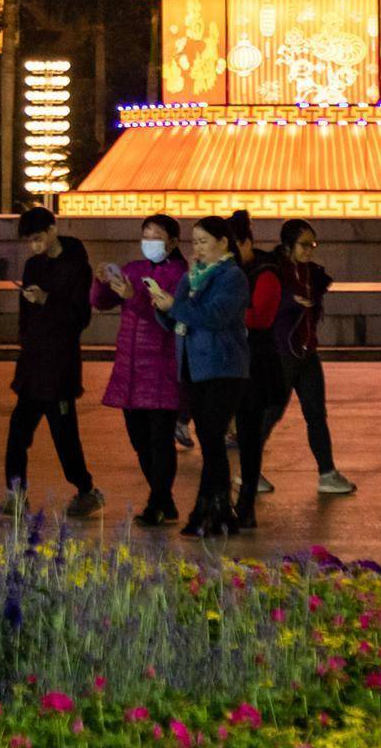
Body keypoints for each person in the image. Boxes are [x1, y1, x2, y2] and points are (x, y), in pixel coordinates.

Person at [3, 207, 105, 517]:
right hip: (33, 365)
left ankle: (86, 489)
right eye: (29, 241)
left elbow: (79, 317)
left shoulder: (77, 267)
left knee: (64, 436)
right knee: (18, 431)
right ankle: (16, 493)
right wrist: (26, 339)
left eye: (37, 238)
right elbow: (26, 313)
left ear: (51, 230)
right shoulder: (33, 265)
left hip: (59, 367)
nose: (33, 246)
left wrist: (47, 300)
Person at [92, 214, 186, 527]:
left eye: (157, 236)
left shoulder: (179, 274)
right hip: (129, 371)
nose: (150, 242)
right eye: (145, 235)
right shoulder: (133, 269)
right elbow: (100, 302)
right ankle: (165, 501)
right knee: (139, 441)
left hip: (161, 369)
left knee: (160, 442)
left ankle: (157, 503)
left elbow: (164, 315)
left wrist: (134, 299)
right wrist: (102, 281)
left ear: (172, 242)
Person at [170, 216, 249, 537]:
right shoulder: (191, 278)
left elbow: (214, 317)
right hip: (194, 368)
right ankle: (216, 510)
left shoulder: (232, 277)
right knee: (209, 440)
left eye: (204, 241)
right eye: (195, 242)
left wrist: (174, 307)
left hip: (223, 368)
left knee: (213, 439)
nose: (198, 248)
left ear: (223, 243)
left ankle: (209, 510)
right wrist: (166, 307)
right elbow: (176, 321)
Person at [274, 220, 356, 495]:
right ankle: (249, 471)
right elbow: (268, 308)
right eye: (304, 244)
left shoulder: (312, 274)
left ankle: (327, 472)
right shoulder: (276, 274)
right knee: (270, 413)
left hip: (307, 353)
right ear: (288, 246)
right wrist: (289, 302)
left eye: (313, 244)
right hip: (283, 355)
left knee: (316, 414)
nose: (310, 250)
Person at [229, 208, 289, 518]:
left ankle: (246, 501)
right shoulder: (221, 271)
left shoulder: (266, 272)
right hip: (225, 364)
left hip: (256, 367)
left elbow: (259, 318)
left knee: (249, 437)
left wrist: (222, 312)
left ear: (245, 242)